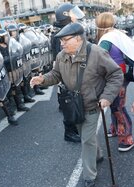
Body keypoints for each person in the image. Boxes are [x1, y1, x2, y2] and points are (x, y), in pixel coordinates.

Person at [30, 22, 123, 187]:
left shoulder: (97, 53)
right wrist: (42, 79)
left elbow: (116, 74)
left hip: (93, 104)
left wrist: (107, 97)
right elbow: (56, 75)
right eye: (61, 41)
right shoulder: (61, 56)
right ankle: (98, 155)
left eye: (66, 40)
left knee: (86, 139)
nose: (62, 43)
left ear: (79, 39)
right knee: (85, 135)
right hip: (73, 105)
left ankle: (89, 176)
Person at [95, 12, 134, 151]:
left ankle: (127, 138)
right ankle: (115, 128)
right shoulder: (117, 34)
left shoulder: (106, 39)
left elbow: (99, 59)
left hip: (115, 77)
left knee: (117, 106)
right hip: (122, 74)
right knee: (115, 104)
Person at [52, 2, 85, 143]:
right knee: (69, 103)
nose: (76, 17)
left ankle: (75, 128)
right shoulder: (61, 34)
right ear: (66, 16)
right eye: (73, 14)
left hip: (72, 71)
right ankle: (69, 132)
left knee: (75, 103)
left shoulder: (69, 29)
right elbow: (61, 56)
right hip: (65, 73)